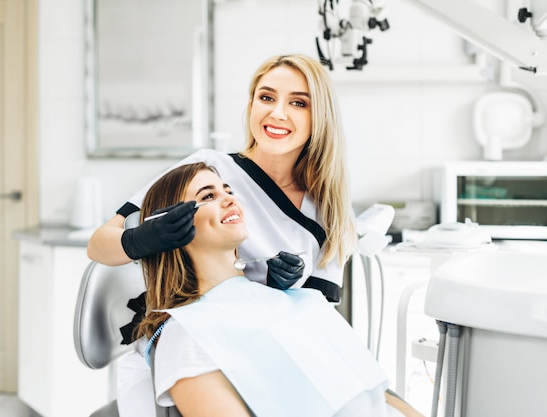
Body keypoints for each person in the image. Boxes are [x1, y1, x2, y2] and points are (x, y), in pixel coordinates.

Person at [134, 162, 423, 417]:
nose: (229, 199)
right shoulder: (186, 337)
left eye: (228, 190)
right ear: (168, 227)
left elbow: (376, 391)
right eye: (208, 196)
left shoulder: (285, 297)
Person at [87, 53, 356, 304]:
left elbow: (318, 319)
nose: (277, 113)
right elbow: (99, 245)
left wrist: (283, 291)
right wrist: (143, 239)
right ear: (251, 105)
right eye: (266, 98)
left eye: (298, 103)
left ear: (319, 116)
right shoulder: (208, 170)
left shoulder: (329, 214)